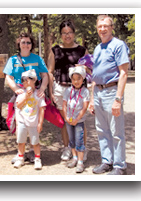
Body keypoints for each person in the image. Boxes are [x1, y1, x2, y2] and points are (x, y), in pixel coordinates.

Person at [89, 15, 129, 175]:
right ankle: (107, 161)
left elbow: (124, 73)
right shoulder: (98, 48)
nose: (102, 29)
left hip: (112, 92)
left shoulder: (118, 45)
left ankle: (120, 165)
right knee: (101, 129)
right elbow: (94, 75)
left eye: (105, 26)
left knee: (116, 131)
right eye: (100, 26)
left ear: (111, 27)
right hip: (98, 91)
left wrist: (118, 99)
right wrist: (92, 98)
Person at [3, 32, 48, 164]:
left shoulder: (37, 59)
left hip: (35, 94)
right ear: (19, 44)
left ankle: (34, 152)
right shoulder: (12, 60)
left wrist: (42, 89)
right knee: (17, 121)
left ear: (31, 44)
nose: (26, 45)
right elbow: (8, 77)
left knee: (34, 121)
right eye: (23, 42)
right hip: (20, 94)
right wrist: (16, 90)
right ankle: (20, 154)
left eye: (28, 42)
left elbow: (45, 75)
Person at [47, 19, 89, 161]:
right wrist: (51, 91)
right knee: (66, 120)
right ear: (60, 35)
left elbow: (89, 70)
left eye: (70, 32)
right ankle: (67, 147)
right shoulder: (55, 50)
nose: (67, 36)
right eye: (64, 33)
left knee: (80, 121)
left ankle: (81, 148)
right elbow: (50, 72)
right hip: (60, 88)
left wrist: (84, 68)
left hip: (78, 90)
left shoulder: (82, 50)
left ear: (74, 33)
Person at [13, 69, 46, 170]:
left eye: (28, 80)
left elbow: (42, 109)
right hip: (22, 121)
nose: (25, 82)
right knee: (21, 141)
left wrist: (40, 123)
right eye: (23, 80)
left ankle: (37, 159)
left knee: (35, 142)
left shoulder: (38, 94)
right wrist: (26, 97)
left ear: (34, 80)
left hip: (33, 122)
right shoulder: (21, 94)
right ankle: (20, 157)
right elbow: (18, 105)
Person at [63, 66, 90, 173]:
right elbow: (64, 104)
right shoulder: (68, 90)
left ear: (83, 79)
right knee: (72, 140)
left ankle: (80, 161)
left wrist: (77, 118)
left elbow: (84, 107)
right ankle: (74, 158)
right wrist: (65, 116)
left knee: (79, 140)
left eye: (78, 79)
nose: (76, 81)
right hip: (69, 120)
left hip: (79, 121)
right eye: (73, 79)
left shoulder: (85, 92)